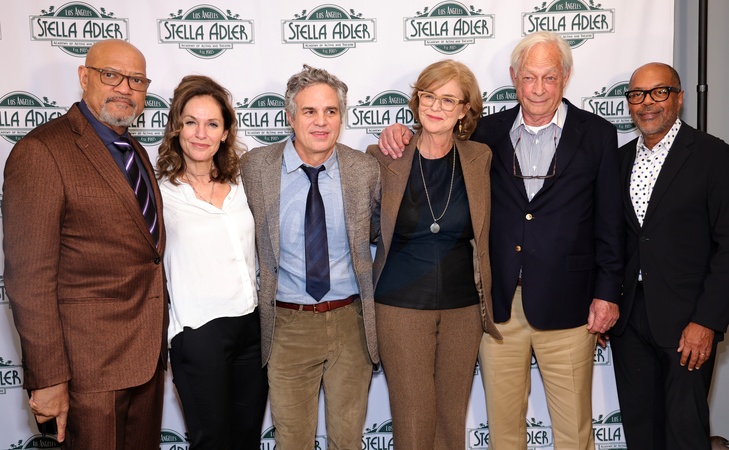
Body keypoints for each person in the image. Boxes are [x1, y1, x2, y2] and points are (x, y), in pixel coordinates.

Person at [378, 31, 624, 449]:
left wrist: (607, 293)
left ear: (565, 78)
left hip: (570, 303)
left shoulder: (597, 133)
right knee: (503, 431)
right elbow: (433, 142)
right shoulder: (485, 135)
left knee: (574, 430)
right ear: (513, 77)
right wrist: (399, 131)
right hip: (498, 308)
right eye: (529, 77)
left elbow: (610, 221)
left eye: (549, 77)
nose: (539, 88)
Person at [3, 39, 166, 449]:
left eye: (137, 80)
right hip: (87, 372)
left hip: (146, 362)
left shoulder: (134, 151)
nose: (125, 88)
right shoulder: (42, 151)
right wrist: (48, 379)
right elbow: (29, 279)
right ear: (84, 77)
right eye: (111, 75)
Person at [240, 65, 380, 450]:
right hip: (287, 326)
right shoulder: (255, 168)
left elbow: (382, 229)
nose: (321, 121)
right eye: (309, 111)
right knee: (292, 442)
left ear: (342, 117)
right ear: (290, 117)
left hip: (351, 323)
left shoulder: (364, 170)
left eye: (330, 111)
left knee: (347, 441)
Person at [364, 60, 501, 449]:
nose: (436, 107)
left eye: (448, 100)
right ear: (417, 100)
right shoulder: (385, 155)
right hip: (400, 308)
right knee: (414, 420)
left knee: (451, 420)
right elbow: (368, 227)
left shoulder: (479, 157)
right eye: (429, 96)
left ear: (464, 110)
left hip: (464, 310)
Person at [611, 62, 729, 450]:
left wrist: (706, 321)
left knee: (684, 433)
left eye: (659, 92)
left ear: (678, 98)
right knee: (641, 433)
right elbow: (613, 240)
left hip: (687, 322)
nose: (647, 102)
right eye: (637, 94)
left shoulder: (713, 155)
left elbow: (727, 246)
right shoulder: (618, 160)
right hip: (629, 322)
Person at [155, 75, 268, 450]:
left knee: (246, 441)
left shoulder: (242, 184)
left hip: (251, 329)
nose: (201, 133)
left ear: (225, 132)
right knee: (213, 443)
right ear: (176, 128)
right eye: (191, 122)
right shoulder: (159, 194)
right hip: (197, 332)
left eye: (212, 124)